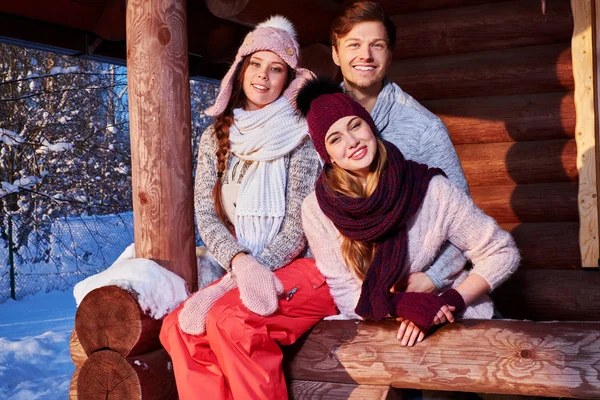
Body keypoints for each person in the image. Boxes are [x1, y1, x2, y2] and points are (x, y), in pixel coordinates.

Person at [159, 17, 337, 400]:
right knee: (177, 327)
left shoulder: (303, 135)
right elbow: (206, 215)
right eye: (256, 64)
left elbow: (297, 227)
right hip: (245, 263)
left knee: (232, 322)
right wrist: (239, 263)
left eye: (276, 69)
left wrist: (252, 269)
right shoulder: (217, 134)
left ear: (289, 79)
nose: (263, 76)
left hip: (305, 265)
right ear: (240, 69)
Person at [297, 78, 520, 346]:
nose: (353, 141)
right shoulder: (316, 210)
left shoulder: (428, 188)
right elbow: (345, 289)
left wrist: (447, 302)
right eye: (335, 138)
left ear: (370, 126)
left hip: (462, 324)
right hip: (388, 333)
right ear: (328, 155)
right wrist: (403, 306)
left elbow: (501, 252)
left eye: (355, 125)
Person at [330, 1, 470, 295]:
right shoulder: (315, 122)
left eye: (376, 45)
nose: (365, 55)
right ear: (335, 52)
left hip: (410, 284)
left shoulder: (423, 127)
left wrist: (434, 278)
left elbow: (465, 222)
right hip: (340, 288)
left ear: (390, 56)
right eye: (354, 44)